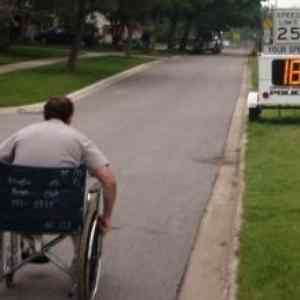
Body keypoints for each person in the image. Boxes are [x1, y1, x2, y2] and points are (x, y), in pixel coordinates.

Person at [0, 96, 117, 262]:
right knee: (79, 207)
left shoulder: (22, 134)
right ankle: (79, 260)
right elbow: (109, 181)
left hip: (19, 211)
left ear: (45, 115)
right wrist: (107, 217)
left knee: (20, 197)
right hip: (63, 214)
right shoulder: (78, 139)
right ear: (70, 117)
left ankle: (32, 243)